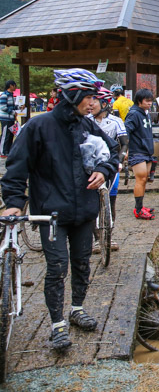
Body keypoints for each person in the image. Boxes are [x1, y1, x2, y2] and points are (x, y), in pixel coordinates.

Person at [1, 68, 119, 351]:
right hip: (51, 214)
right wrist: (14, 204)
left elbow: (112, 151)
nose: (94, 103)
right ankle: (57, 325)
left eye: (95, 98)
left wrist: (104, 170)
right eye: (88, 97)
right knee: (56, 267)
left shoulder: (87, 125)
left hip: (84, 211)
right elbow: (16, 169)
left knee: (81, 263)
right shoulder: (38, 127)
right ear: (71, 95)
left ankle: (77, 309)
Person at [89, 87, 127, 252]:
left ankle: (109, 236)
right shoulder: (87, 120)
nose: (91, 104)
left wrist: (120, 159)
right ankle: (97, 239)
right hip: (90, 165)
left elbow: (124, 142)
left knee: (111, 201)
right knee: (91, 203)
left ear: (104, 103)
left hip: (111, 164)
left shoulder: (116, 121)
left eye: (95, 101)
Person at [125, 89, 159, 220]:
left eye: (151, 100)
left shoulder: (146, 114)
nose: (150, 103)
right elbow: (126, 131)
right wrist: (126, 149)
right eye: (147, 101)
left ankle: (140, 206)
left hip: (147, 151)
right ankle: (138, 210)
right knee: (140, 179)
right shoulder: (133, 114)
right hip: (137, 151)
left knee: (145, 180)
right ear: (139, 101)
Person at [0, 80, 19, 157]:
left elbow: (12, 106)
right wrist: (13, 112)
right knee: (5, 135)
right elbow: (3, 107)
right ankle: (2, 152)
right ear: (11, 86)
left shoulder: (11, 95)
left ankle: (8, 151)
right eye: (15, 85)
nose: (15, 87)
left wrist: (19, 107)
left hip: (11, 119)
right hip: (5, 119)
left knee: (10, 135)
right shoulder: (4, 95)